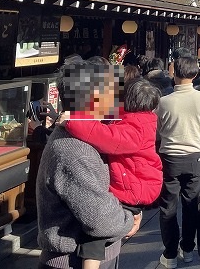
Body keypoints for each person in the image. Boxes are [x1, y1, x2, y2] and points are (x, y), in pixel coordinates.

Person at [36, 56, 141, 269]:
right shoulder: (75, 150)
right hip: (72, 259)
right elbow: (100, 218)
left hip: (90, 254)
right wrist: (129, 219)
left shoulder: (89, 135)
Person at [62, 78, 163, 269]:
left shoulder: (135, 128)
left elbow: (103, 135)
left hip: (134, 189)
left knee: (94, 235)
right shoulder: (136, 118)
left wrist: (72, 121)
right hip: (136, 183)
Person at [156, 56, 200, 267]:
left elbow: (158, 129)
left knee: (168, 207)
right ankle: (187, 249)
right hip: (195, 156)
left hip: (170, 158)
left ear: (174, 74)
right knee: (191, 204)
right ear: (195, 75)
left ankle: (170, 254)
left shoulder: (164, 101)